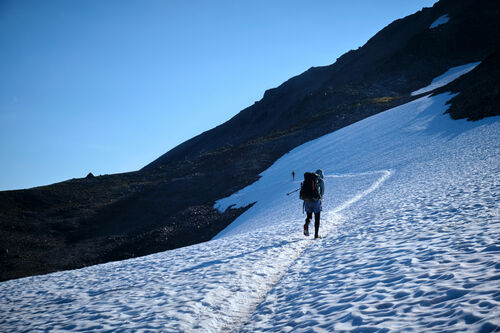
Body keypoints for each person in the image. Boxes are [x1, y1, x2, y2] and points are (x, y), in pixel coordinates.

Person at [303, 169, 324, 239]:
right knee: (317, 218)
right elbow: (322, 192)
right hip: (316, 202)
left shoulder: (307, 180)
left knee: (309, 217)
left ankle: (306, 224)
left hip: (307, 201)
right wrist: (320, 198)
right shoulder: (320, 181)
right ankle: (316, 234)